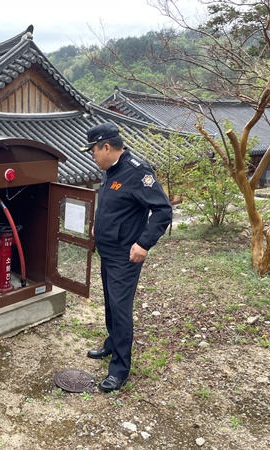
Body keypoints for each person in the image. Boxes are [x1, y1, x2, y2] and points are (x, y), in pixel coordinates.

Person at [80, 122, 172, 393]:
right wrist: (98, 226)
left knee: (120, 308)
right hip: (108, 249)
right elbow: (114, 206)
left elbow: (163, 211)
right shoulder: (110, 170)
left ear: (106, 147)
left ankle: (119, 369)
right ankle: (112, 344)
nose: (92, 156)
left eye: (93, 151)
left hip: (125, 255)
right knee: (111, 302)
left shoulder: (137, 172)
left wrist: (144, 244)